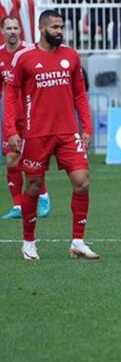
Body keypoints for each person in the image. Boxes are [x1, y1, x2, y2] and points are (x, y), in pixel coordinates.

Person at [3, 10, 99, 260]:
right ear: (41, 28)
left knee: (83, 181)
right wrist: (11, 130)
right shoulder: (24, 58)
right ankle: (28, 242)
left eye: (61, 27)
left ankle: (78, 241)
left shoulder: (71, 56)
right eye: (54, 27)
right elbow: (11, 95)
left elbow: (80, 94)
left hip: (68, 132)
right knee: (33, 186)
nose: (59, 31)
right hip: (37, 134)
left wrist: (86, 128)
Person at [1, 16, 52, 220]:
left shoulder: (31, 51)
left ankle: (43, 195)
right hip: (12, 117)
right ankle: (17, 206)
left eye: (15, 28)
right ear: (3, 31)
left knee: (33, 160)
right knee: (12, 159)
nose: (12, 31)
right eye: (8, 28)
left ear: (20, 30)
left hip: (33, 116)